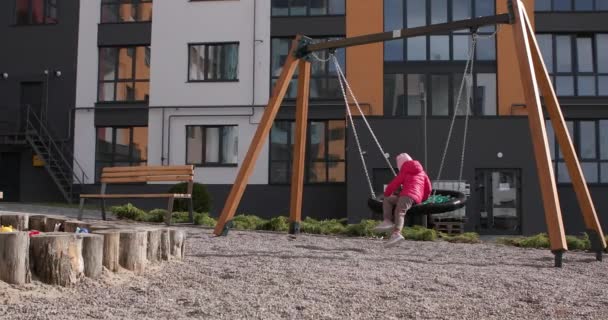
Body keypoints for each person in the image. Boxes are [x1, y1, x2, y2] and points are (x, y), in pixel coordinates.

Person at [374, 153, 432, 247]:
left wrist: (387, 193)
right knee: (388, 200)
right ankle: (387, 221)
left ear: (400, 165)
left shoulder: (405, 171)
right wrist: (423, 199)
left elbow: (394, 184)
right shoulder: (422, 173)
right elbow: (428, 189)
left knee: (399, 211)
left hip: (407, 196)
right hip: (414, 198)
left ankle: (396, 233)